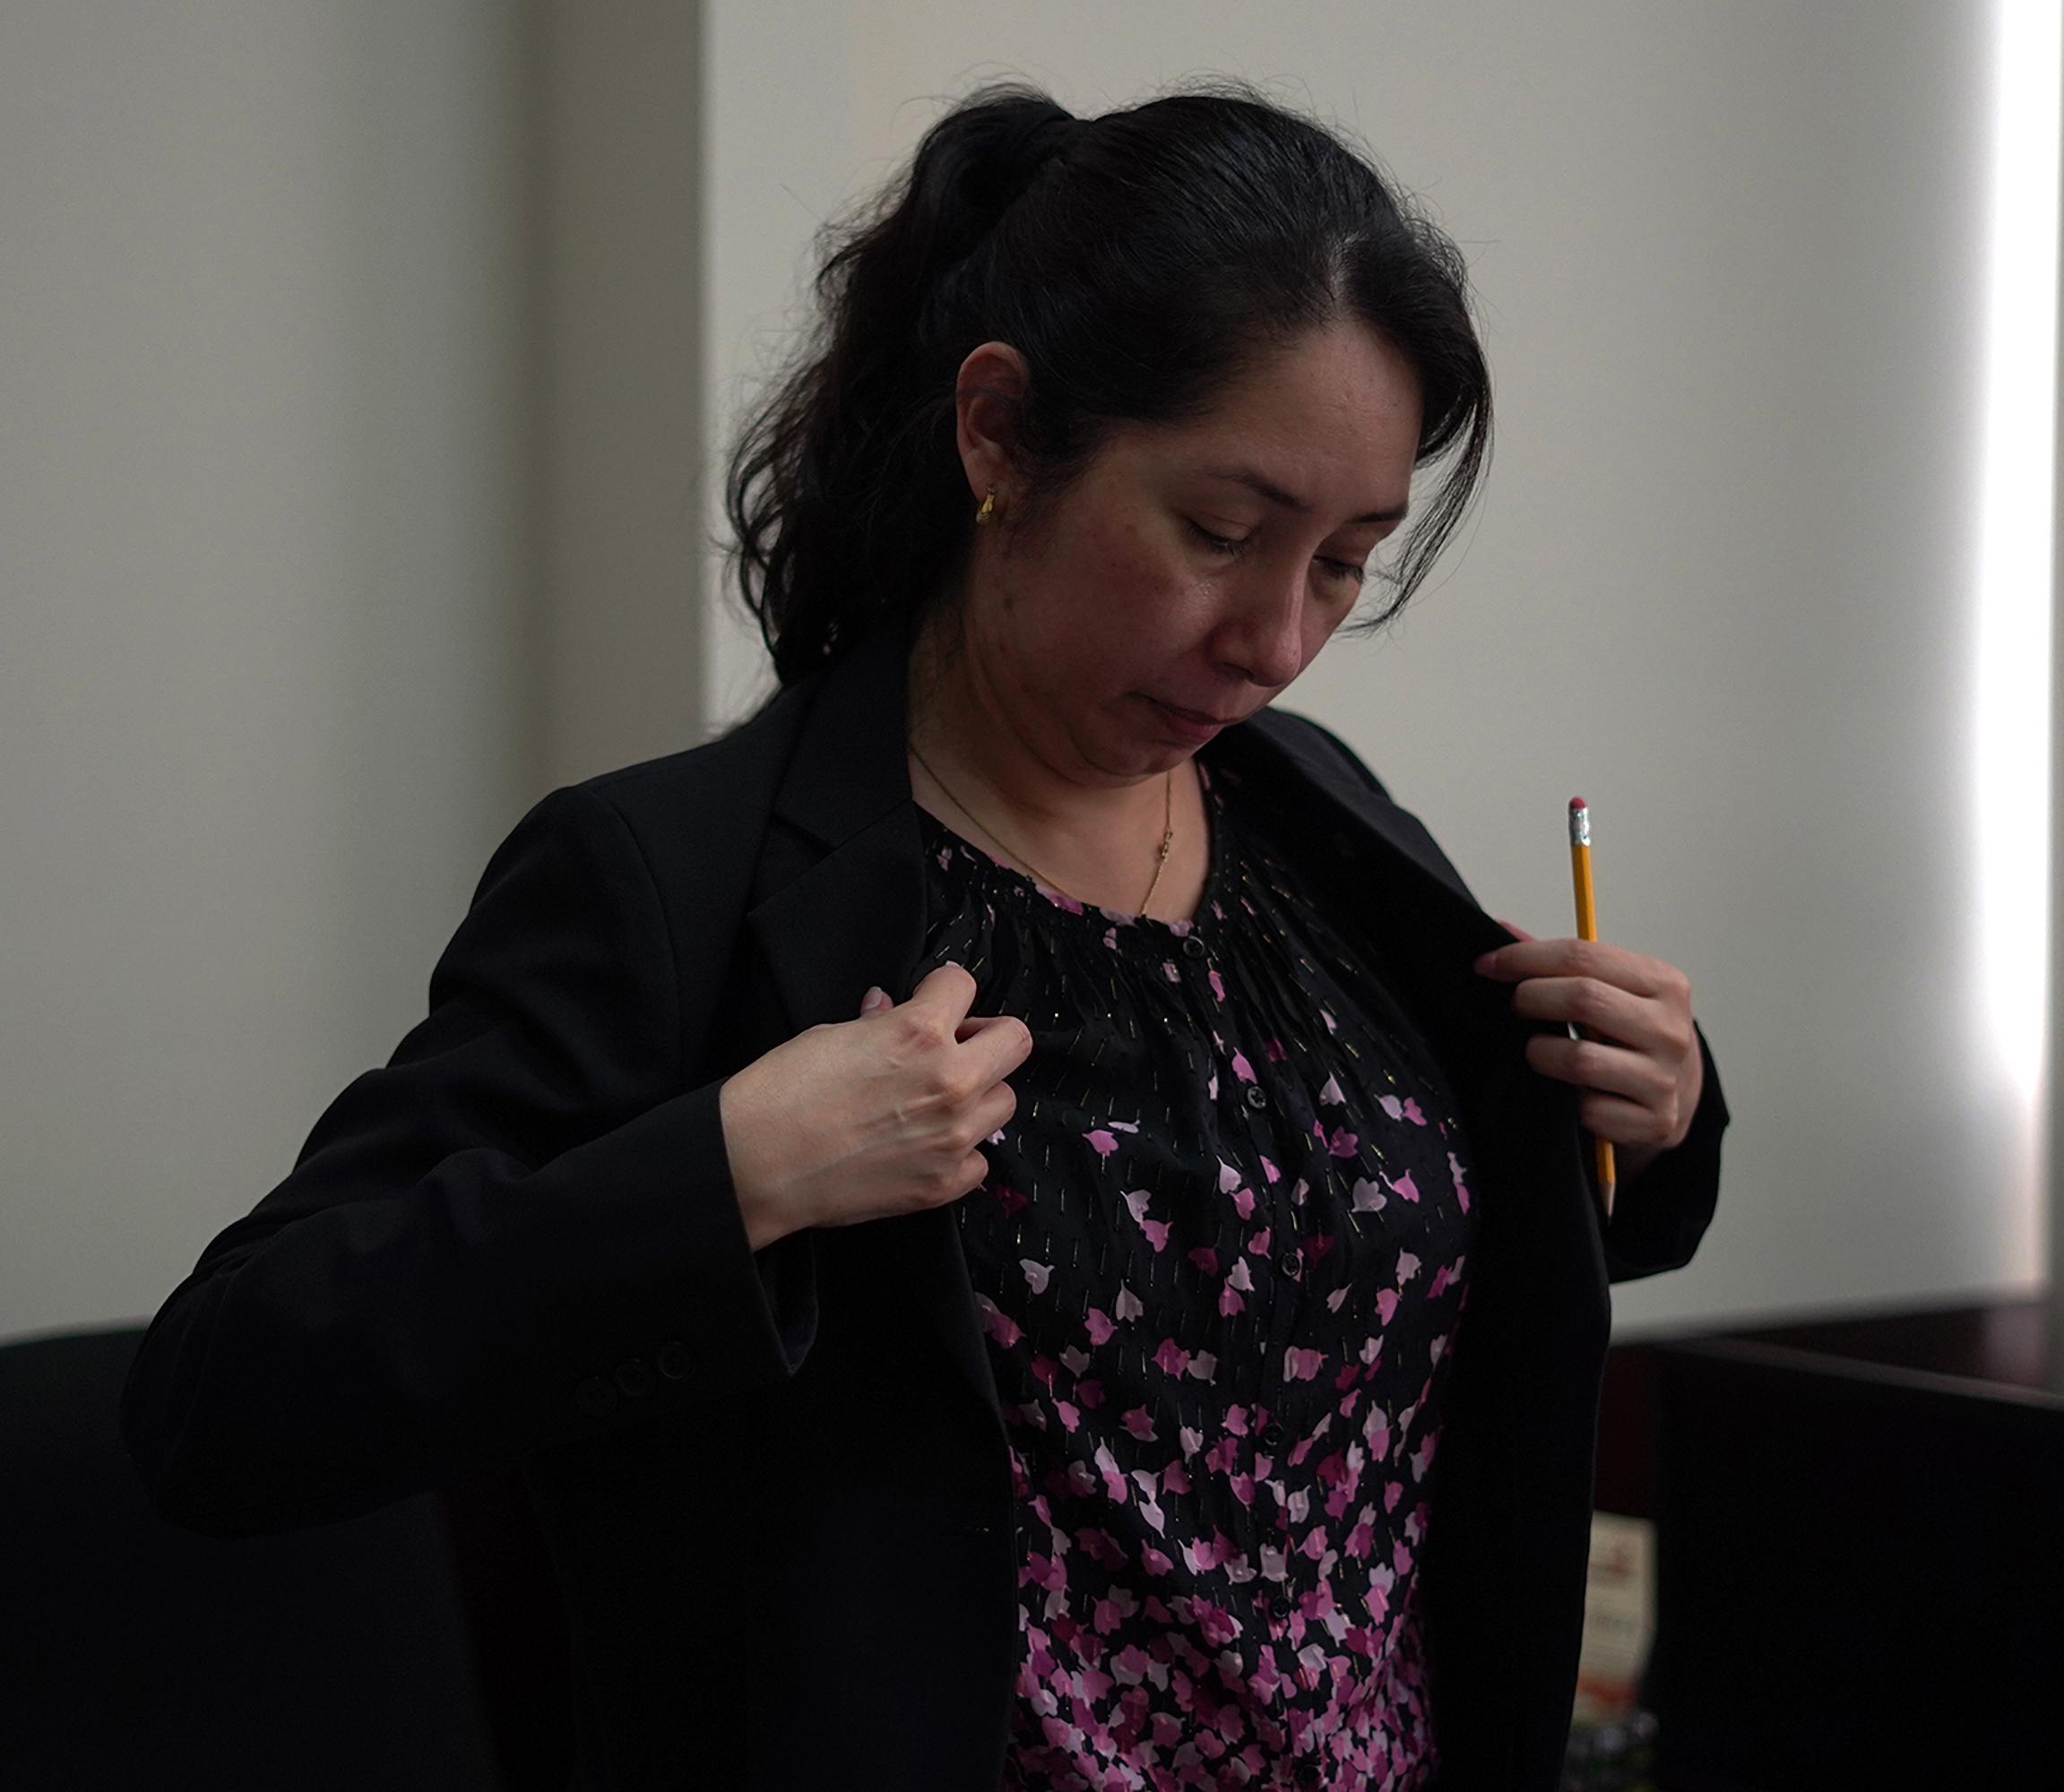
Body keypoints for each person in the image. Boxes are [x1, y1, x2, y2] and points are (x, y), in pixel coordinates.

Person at [122, 79, 1730, 1790]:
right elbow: (230, 1396)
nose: (1275, 638)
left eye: (1344, 563)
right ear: (999, 437)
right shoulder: (674, 878)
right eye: (1221, 534)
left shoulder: (1314, 818)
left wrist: (1660, 1107)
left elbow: (1357, 1278)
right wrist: (729, 1172)